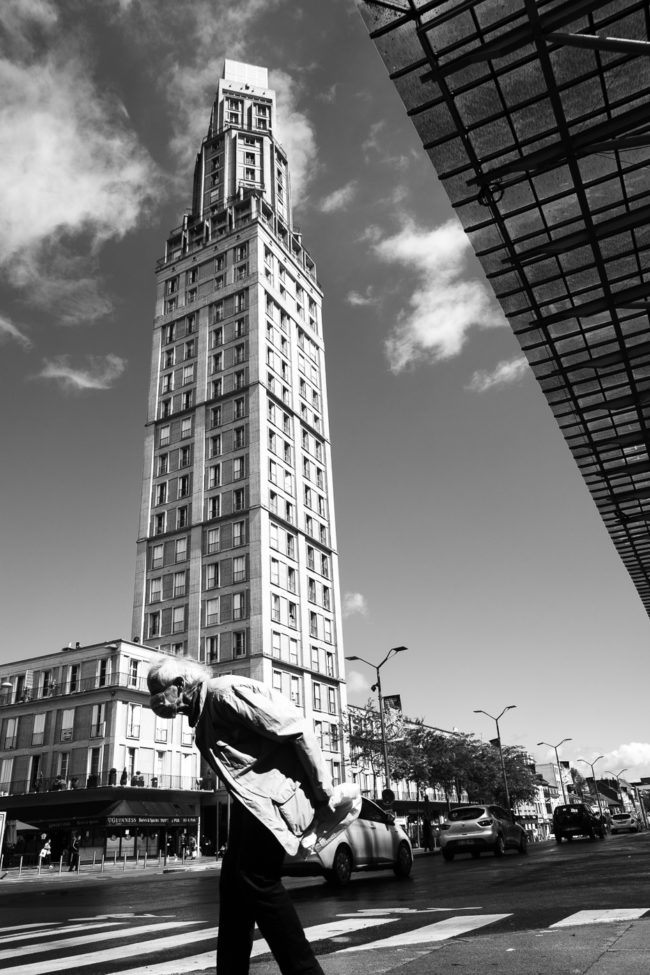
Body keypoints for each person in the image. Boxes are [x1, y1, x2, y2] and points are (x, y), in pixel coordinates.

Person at [148, 657, 357, 975]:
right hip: (251, 810)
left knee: (257, 880)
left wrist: (322, 788)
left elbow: (295, 729)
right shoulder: (203, 723)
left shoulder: (224, 694)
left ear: (179, 684)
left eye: (157, 693)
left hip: (276, 803)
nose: (155, 703)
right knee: (233, 891)